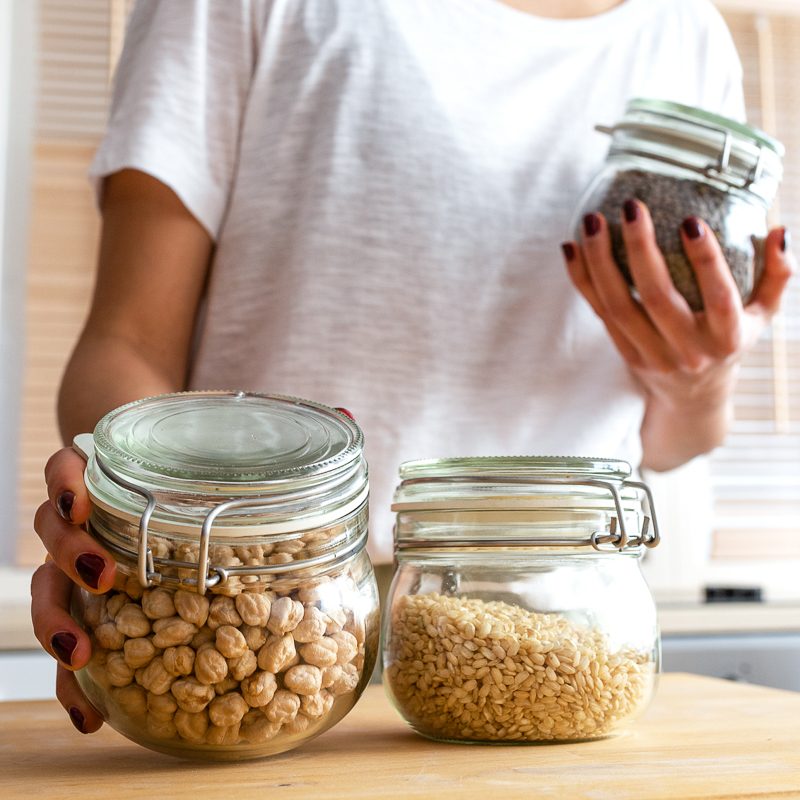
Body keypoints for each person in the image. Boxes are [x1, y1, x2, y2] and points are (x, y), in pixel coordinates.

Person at [31, 0, 794, 734]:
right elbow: (127, 342)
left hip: (572, 611)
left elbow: (672, 440)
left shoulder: (684, 31)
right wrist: (138, 527)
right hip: (273, 596)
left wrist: (696, 377)